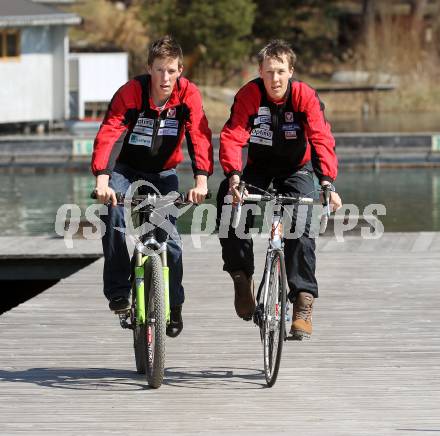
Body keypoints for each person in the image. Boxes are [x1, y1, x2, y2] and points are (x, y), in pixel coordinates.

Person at [216, 39, 342, 339]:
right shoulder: (249, 95)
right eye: (269, 72)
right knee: (227, 202)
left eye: (281, 72)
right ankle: (241, 276)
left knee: (302, 225)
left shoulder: (304, 96)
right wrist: (234, 176)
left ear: (291, 71)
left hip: (295, 169)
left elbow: (321, 138)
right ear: (260, 71)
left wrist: (327, 182)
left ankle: (302, 300)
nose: (275, 79)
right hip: (256, 169)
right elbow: (233, 135)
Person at [91, 35, 213, 337]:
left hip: (164, 173)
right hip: (127, 171)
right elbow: (108, 133)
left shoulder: (188, 96)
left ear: (180, 70)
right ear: (149, 68)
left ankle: (174, 306)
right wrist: (102, 180)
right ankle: (119, 290)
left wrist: (201, 180)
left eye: (171, 70)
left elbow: (200, 136)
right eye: (159, 70)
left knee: (170, 240)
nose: (165, 77)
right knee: (113, 216)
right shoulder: (131, 93)